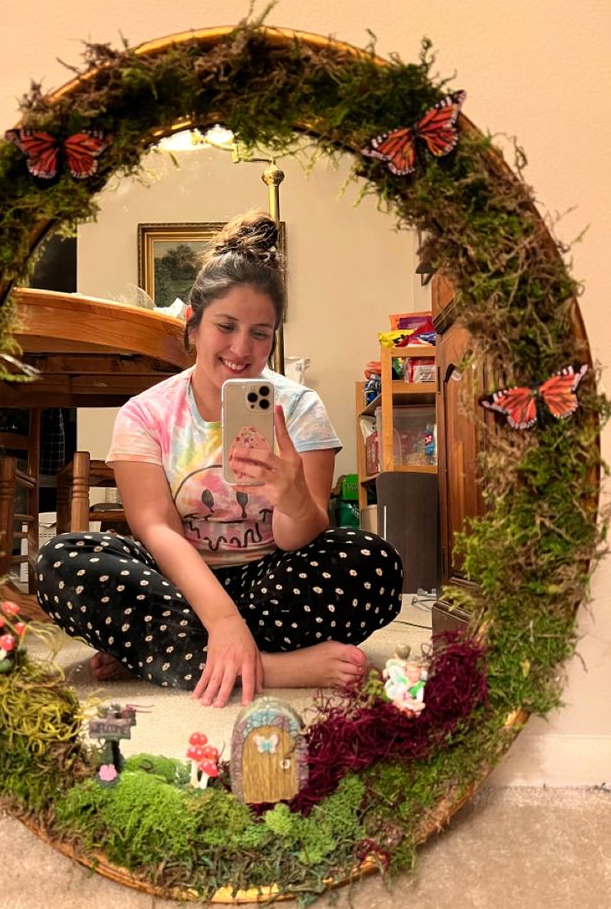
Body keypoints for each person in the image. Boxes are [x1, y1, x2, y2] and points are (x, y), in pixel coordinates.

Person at [36, 210, 403, 709]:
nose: (240, 348)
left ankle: (160, 649)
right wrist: (224, 620)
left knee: (373, 562)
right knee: (62, 559)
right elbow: (158, 530)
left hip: (269, 579)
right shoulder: (145, 414)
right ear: (193, 325)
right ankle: (269, 664)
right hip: (178, 580)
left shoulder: (300, 409)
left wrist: (294, 499)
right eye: (225, 327)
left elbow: (301, 537)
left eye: (260, 333)